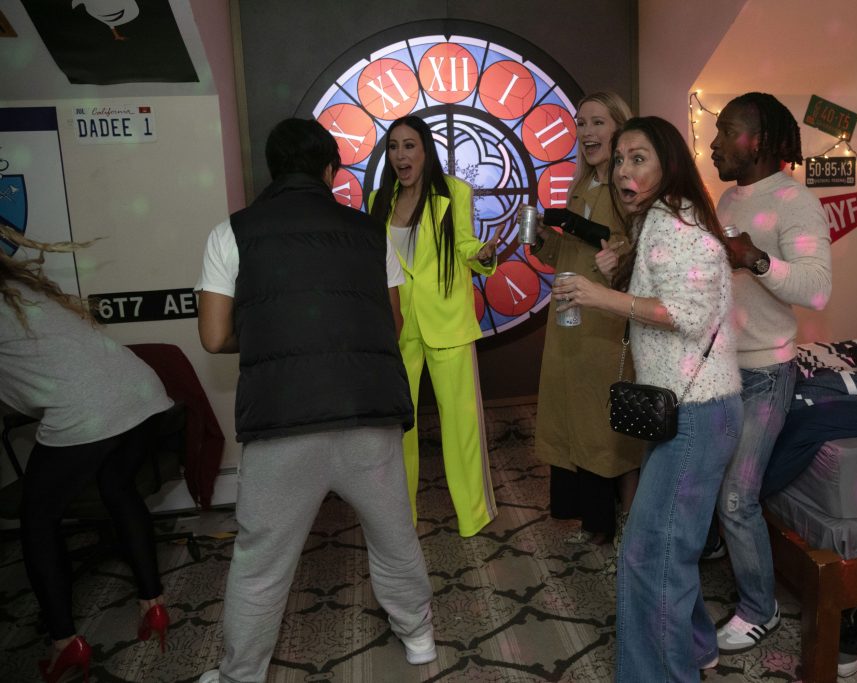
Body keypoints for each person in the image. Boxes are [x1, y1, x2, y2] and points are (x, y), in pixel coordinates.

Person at [196, 118, 435, 682]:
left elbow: (212, 336)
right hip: (366, 411)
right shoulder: (369, 231)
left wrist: (269, 335)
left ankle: (241, 676)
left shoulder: (230, 233)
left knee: (261, 562)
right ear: (331, 171)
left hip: (282, 421)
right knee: (394, 536)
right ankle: (419, 637)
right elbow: (393, 320)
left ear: (273, 170)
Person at [552, 117, 742, 681]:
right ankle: (695, 647)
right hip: (688, 411)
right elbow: (670, 291)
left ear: (668, 165)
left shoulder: (677, 224)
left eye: (639, 158)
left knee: (648, 555)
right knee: (663, 549)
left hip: (699, 414)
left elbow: (686, 313)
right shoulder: (658, 221)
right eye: (620, 160)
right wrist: (624, 264)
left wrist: (598, 294)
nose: (624, 170)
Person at [0, 226, 173, 683]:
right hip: (142, 391)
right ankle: (153, 605)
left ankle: (64, 644)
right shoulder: (16, 286)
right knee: (117, 487)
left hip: (90, 410)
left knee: (38, 518)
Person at [707, 92, 833, 654]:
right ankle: (725, 558)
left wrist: (756, 259)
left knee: (737, 497)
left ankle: (761, 609)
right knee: (712, 484)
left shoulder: (795, 202)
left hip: (765, 373)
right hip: (718, 368)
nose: (713, 143)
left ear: (755, 141)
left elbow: (817, 290)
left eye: (725, 132)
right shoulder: (725, 197)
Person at [368, 115, 499, 538]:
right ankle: (400, 518)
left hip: (447, 323)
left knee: (461, 424)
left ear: (425, 151)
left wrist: (483, 253)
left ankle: (473, 514)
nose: (401, 155)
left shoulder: (453, 193)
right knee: (398, 427)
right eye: (393, 147)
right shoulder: (377, 200)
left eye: (409, 145)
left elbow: (463, 244)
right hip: (396, 325)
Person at [531, 91, 644, 551]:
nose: (587, 132)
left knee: (612, 433)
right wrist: (543, 239)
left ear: (619, 128)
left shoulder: (628, 186)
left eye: (598, 122)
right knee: (577, 423)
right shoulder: (581, 186)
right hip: (569, 323)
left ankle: (634, 529)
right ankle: (596, 524)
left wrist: (613, 251)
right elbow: (569, 256)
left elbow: (627, 254)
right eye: (581, 123)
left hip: (606, 325)